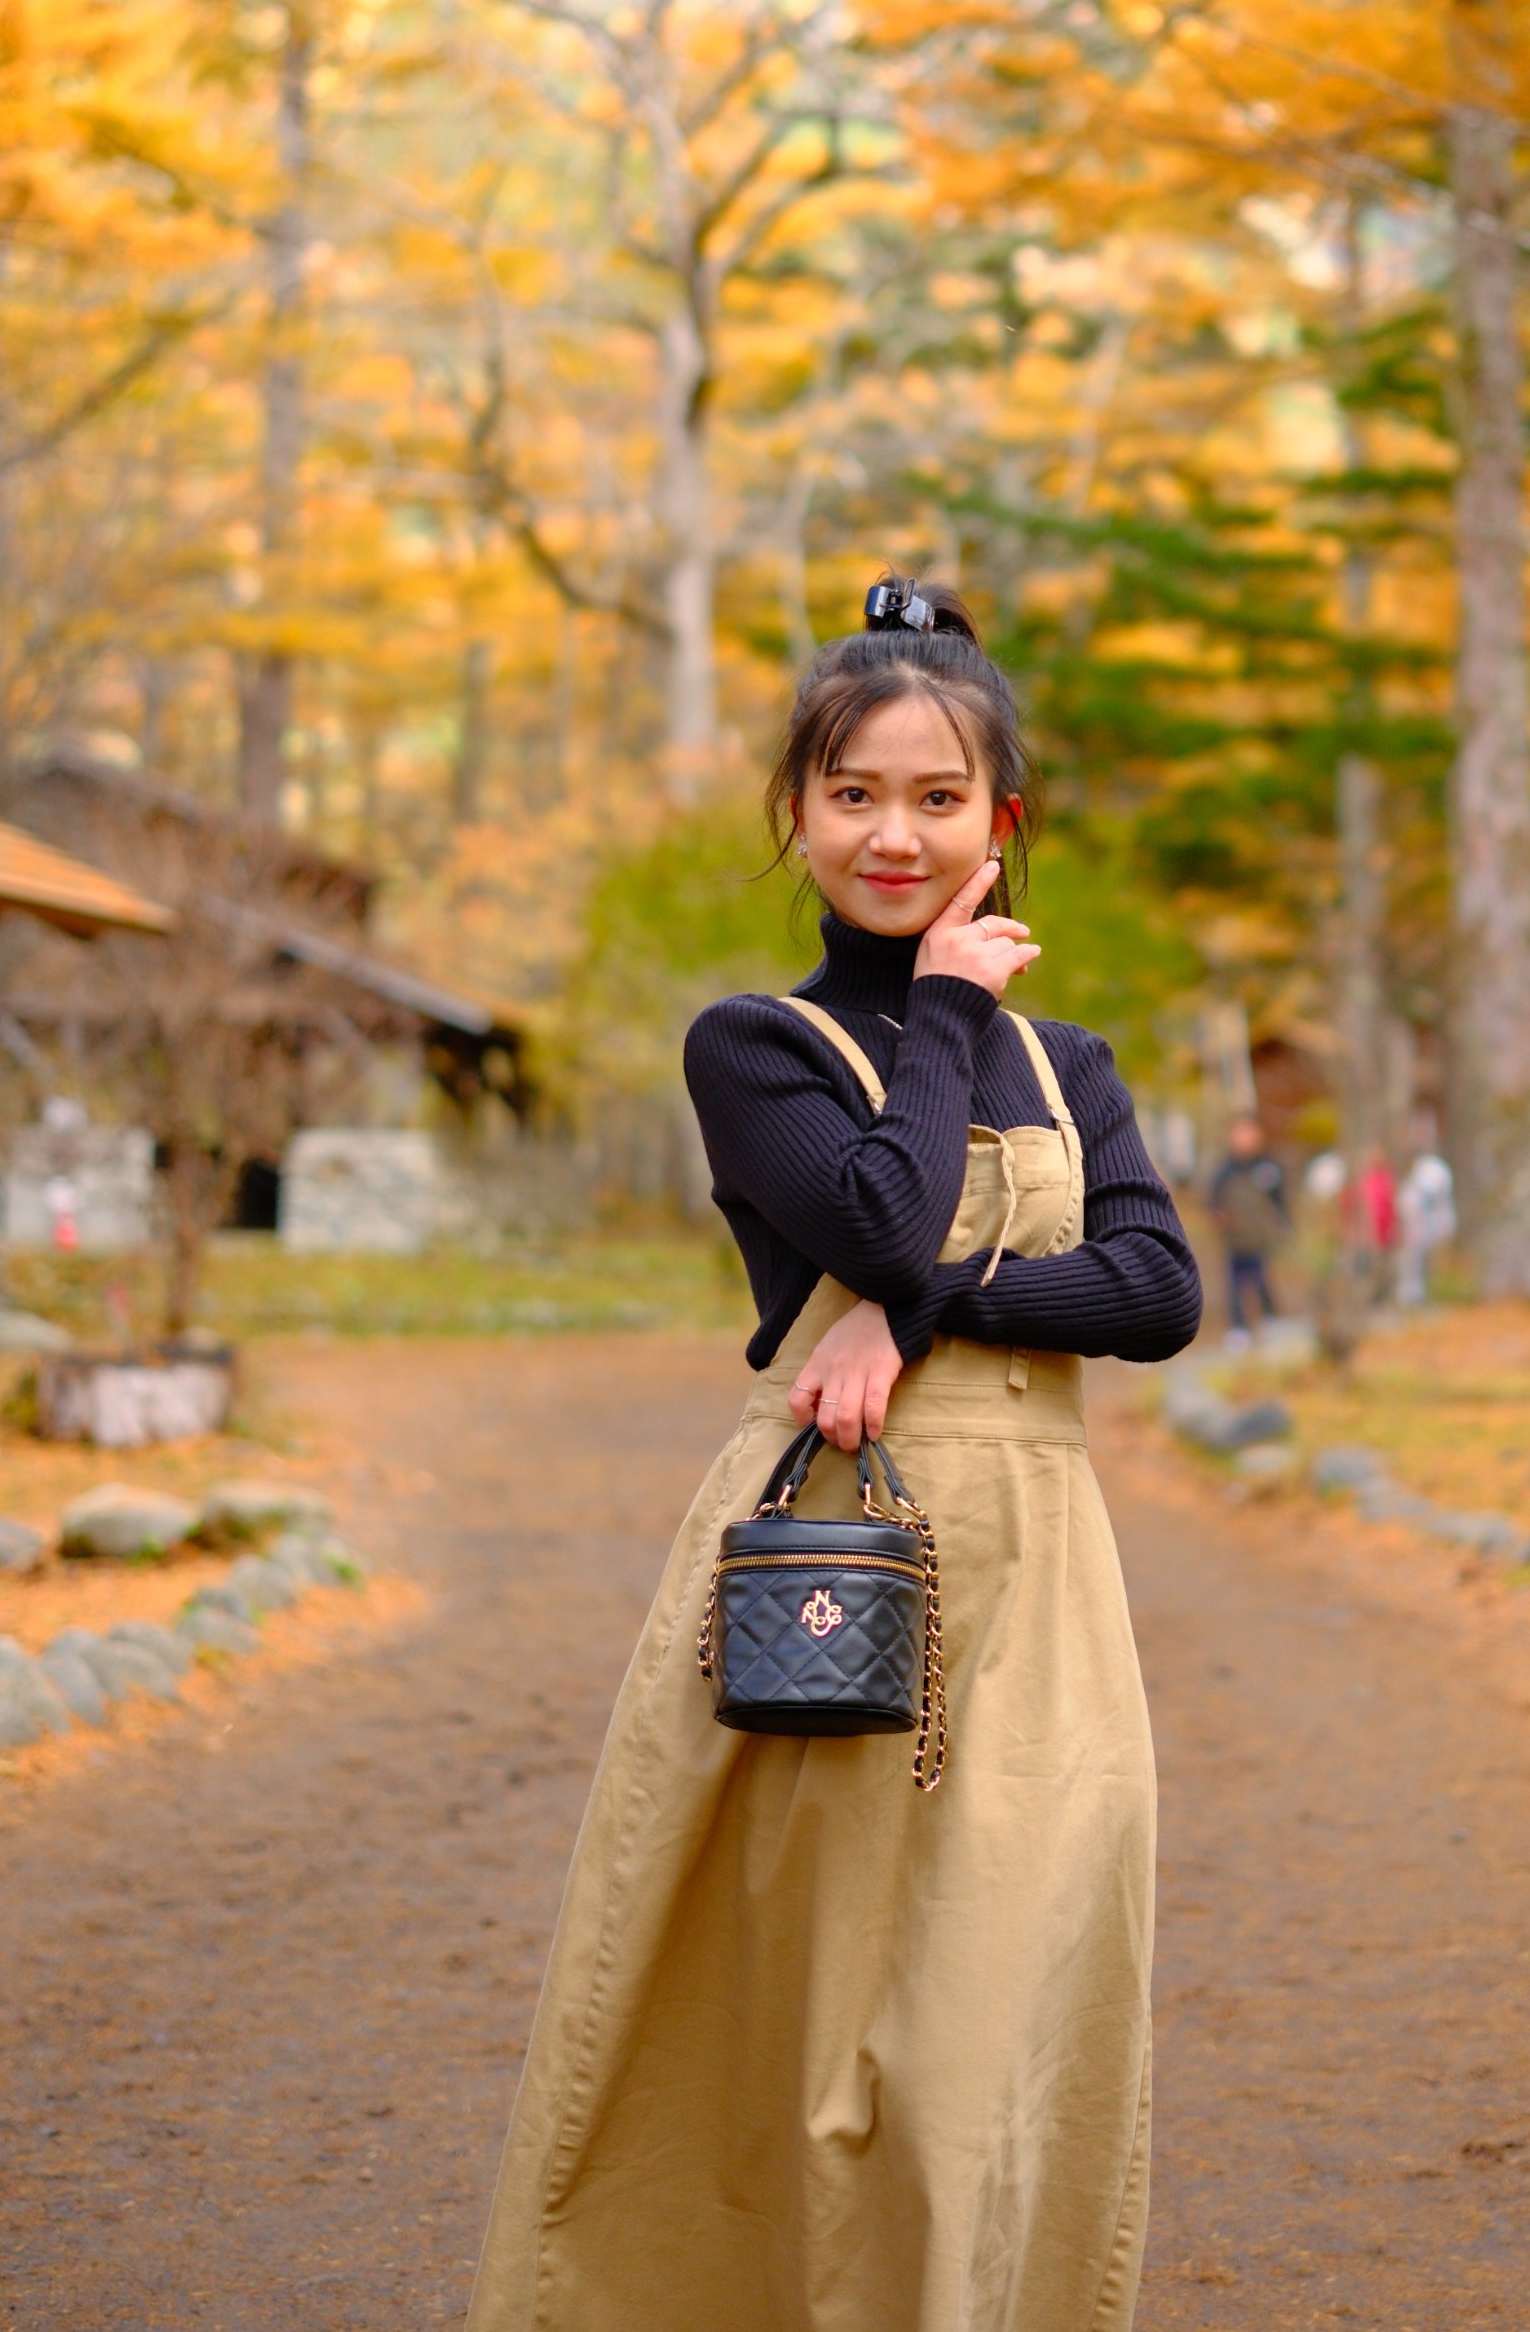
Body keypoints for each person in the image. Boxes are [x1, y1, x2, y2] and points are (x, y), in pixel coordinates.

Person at [467, 577, 1201, 2332]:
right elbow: (872, 1213)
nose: (896, 834)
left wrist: (923, 1310)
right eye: (855, 794)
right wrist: (940, 1013)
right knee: (800, 2033)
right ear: (795, 816)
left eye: (939, 799)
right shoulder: (755, 1046)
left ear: (1001, 824)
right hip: (831, 1572)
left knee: (981, 2046)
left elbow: (1160, 1292)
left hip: (1038, 1591)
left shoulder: (1071, 1061)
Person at [1207, 1111, 1288, 1341]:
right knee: (1235, 1283)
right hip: (1234, 1239)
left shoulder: (1268, 1167)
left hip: (1261, 1238)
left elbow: (1280, 1201)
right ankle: (1238, 1327)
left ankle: (1270, 1318)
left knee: (1262, 1278)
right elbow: (1213, 1200)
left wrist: (1281, 1227)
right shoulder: (1225, 1170)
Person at [1396, 1142, 1456, 1308]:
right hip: (1414, 1231)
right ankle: (1410, 1297)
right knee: (1410, 1265)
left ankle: (1421, 1296)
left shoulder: (1427, 1176)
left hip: (1424, 1229)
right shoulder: (1412, 1183)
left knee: (1423, 1264)